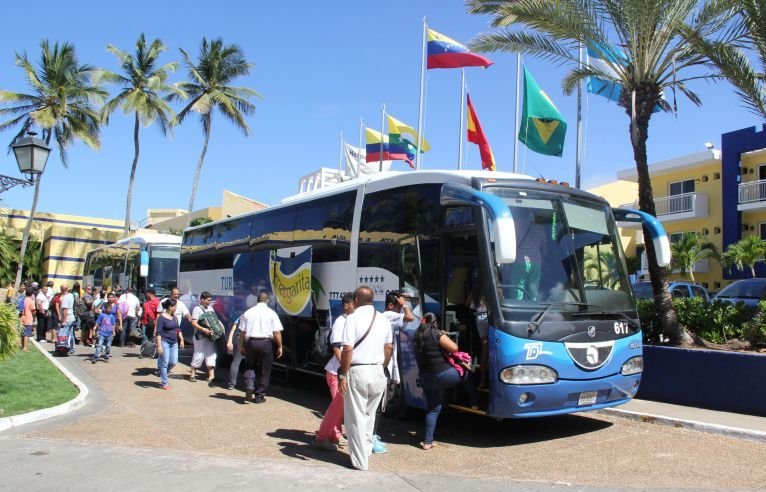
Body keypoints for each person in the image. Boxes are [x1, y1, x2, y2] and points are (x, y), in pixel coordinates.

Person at [338, 286, 393, 471]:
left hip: (357, 371)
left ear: (355, 300)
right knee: (369, 416)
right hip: (378, 371)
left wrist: (342, 374)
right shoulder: (383, 319)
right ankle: (367, 451)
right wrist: (381, 367)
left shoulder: (352, 319)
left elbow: (347, 349)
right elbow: (389, 348)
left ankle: (360, 462)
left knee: (355, 418)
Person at [414, 313, 479, 450]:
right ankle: (475, 403)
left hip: (425, 378)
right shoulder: (436, 333)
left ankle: (427, 442)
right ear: (435, 323)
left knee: (433, 409)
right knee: (467, 375)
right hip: (442, 375)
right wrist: (444, 335)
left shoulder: (417, 336)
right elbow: (454, 348)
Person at [367, 291, 416, 454]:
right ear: (390, 305)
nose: (400, 309)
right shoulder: (389, 315)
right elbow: (410, 318)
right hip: (383, 365)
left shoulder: (383, 316)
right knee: (379, 404)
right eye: (398, 305)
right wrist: (405, 305)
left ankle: (370, 434)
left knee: (374, 403)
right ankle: (371, 436)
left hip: (378, 364)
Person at [314, 292, 354, 451]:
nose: (355, 308)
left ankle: (334, 434)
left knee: (340, 406)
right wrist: (344, 367)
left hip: (341, 371)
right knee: (337, 406)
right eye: (353, 305)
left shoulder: (351, 321)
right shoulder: (340, 322)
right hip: (336, 372)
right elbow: (336, 346)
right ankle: (334, 435)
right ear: (346, 306)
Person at [238, 291, 283, 403]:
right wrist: (280, 346)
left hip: (251, 342)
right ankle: (259, 396)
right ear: (267, 300)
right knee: (265, 369)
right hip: (265, 343)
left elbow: (243, 332)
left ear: (257, 300)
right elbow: (277, 332)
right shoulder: (271, 313)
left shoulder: (248, 312)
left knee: (250, 365)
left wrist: (241, 345)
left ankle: (249, 385)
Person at [190, 291, 221, 385]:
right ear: (202, 299)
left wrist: (221, 326)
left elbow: (215, 320)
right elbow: (193, 323)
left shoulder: (211, 308)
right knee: (199, 354)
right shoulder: (197, 309)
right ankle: (192, 374)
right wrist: (204, 330)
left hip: (210, 336)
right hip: (200, 336)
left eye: (210, 300)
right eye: (208, 300)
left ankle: (211, 376)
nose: (209, 302)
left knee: (211, 354)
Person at [155, 298, 185, 389]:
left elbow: (178, 329)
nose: (175, 308)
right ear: (169, 307)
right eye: (174, 306)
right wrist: (159, 345)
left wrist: (182, 339)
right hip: (165, 342)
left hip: (174, 342)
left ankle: (162, 371)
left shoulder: (175, 317)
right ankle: (165, 383)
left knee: (173, 362)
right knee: (164, 362)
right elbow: (158, 332)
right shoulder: (161, 317)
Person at [92, 293, 118, 363]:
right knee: (99, 345)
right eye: (109, 309)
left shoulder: (112, 316)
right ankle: (96, 357)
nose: (110, 310)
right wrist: (95, 327)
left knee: (108, 346)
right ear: (105, 309)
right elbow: (98, 322)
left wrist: (114, 331)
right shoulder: (102, 315)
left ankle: (106, 356)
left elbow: (113, 324)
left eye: (111, 309)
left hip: (109, 333)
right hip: (102, 332)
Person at [226, 316, 244, 390]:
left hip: (239, 338)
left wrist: (230, 341)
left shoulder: (243, 315)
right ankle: (249, 384)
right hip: (251, 339)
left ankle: (231, 384)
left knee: (236, 362)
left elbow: (234, 327)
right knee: (251, 363)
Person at [59, 284, 76, 355]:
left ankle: (66, 347)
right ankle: (72, 348)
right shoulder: (71, 295)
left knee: (65, 334)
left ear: (61, 290)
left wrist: (64, 320)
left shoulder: (65, 298)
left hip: (68, 318)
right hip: (72, 317)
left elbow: (65, 310)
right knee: (71, 334)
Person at [20, 286, 36, 351]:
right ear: (32, 293)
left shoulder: (23, 299)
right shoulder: (31, 301)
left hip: (22, 317)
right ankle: (25, 347)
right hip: (28, 318)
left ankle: (22, 345)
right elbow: (34, 311)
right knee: (26, 333)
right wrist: (34, 317)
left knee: (22, 333)